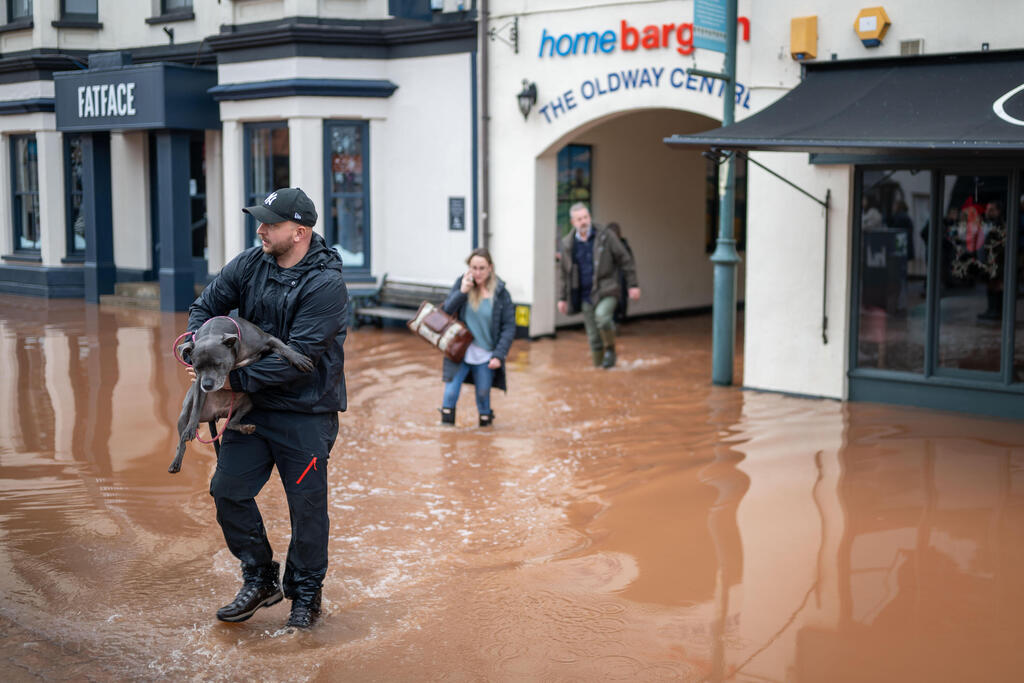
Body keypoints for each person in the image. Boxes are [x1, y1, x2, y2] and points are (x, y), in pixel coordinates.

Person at [186, 187, 348, 630]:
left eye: (269, 224)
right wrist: (198, 348)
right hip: (250, 410)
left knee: (308, 509)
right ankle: (260, 578)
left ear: (298, 232)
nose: (259, 229)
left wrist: (227, 378)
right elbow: (204, 307)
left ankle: (306, 595)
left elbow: (300, 359)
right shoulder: (248, 263)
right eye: (259, 221)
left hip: (305, 413)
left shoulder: (327, 284)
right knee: (227, 491)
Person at [557, 203, 640, 368]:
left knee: (602, 317)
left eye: (586, 217)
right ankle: (600, 372)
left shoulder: (605, 236)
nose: (584, 222)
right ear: (573, 222)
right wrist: (562, 298)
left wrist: (633, 285)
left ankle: (610, 348)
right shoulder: (568, 244)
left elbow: (625, 259)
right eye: (579, 219)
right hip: (584, 294)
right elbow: (564, 273)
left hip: (607, 289)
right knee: (593, 337)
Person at [440, 248, 516, 427]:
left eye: (482, 268)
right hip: (460, 351)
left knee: (483, 395)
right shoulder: (462, 284)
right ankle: (446, 438)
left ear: (490, 268)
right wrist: (462, 292)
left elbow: (509, 327)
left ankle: (485, 437)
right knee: (450, 393)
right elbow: (445, 312)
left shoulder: (501, 293)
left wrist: (499, 355)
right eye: (474, 268)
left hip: (486, 354)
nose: (477, 272)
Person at [605, 222, 635, 323]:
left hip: (620, 278)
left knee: (619, 302)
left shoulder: (624, 247)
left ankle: (615, 322)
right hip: (609, 279)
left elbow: (629, 264)